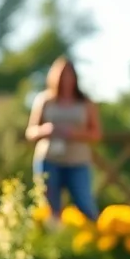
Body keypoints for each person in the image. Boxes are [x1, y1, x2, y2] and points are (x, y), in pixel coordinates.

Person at [26, 57, 102, 220]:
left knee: (86, 205)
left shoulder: (85, 102)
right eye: (62, 76)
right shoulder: (44, 100)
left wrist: (73, 134)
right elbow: (30, 131)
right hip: (50, 160)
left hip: (78, 161)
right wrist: (47, 130)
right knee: (50, 210)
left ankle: (95, 240)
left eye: (70, 76)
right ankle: (54, 242)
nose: (66, 80)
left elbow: (96, 134)